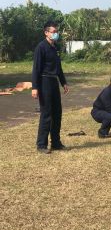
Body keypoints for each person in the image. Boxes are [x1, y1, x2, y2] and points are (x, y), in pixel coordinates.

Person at [32, 21, 69, 154]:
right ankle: (41, 145)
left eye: (56, 32)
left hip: (53, 82)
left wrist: (63, 82)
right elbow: (36, 68)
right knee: (46, 114)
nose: (55, 34)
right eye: (53, 32)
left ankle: (56, 143)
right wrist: (35, 87)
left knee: (57, 113)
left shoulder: (55, 48)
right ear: (46, 32)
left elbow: (58, 68)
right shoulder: (40, 47)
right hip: (44, 82)